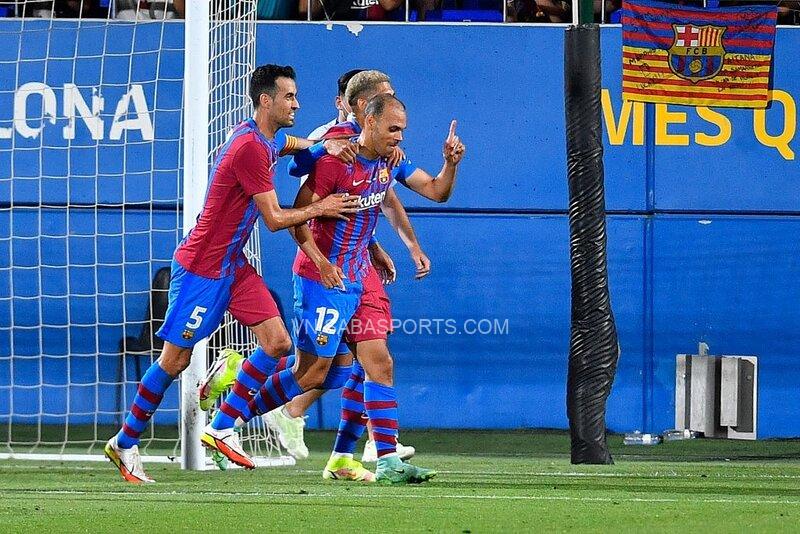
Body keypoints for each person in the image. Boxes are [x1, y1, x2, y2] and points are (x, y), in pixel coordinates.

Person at [104, 64, 361, 484]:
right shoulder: (249, 149)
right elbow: (276, 219)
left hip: (233, 265)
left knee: (278, 343)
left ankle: (222, 426)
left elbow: (288, 144)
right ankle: (126, 442)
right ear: (267, 100)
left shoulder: (260, 137)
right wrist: (321, 208)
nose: (297, 103)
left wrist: (319, 148)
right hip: (202, 268)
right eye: (289, 96)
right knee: (175, 360)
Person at [206, 94, 447, 484]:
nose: (400, 135)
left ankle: (380, 460)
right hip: (324, 277)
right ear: (362, 113)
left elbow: (418, 194)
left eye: (403, 127)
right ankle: (225, 421)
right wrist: (322, 262)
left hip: (359, 275)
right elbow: (299, 204)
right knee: (314, 372)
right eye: (393, 127)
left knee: (371, 365)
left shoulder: (388, 159)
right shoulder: (334, 150)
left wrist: (382, 246)